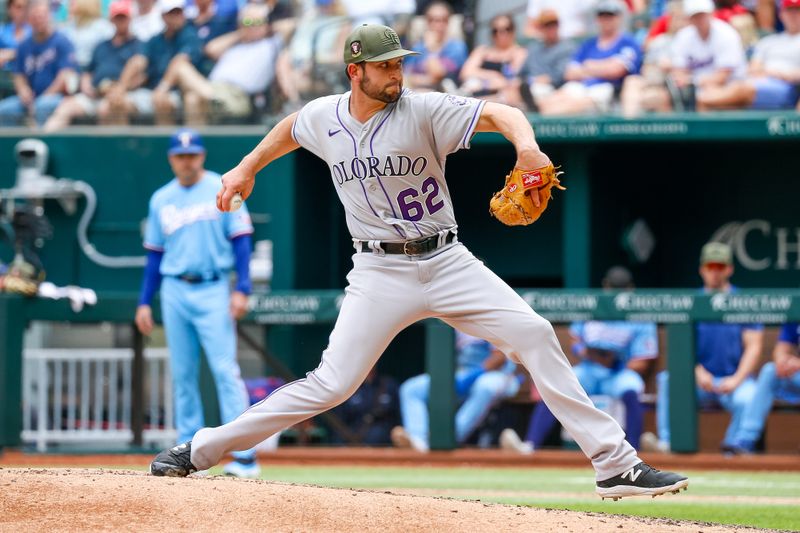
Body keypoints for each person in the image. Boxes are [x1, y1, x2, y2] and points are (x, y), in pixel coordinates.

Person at [149, 22, 688, 501]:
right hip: (379, 272)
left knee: (536, 333)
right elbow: (290, 128)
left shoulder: (424, 107)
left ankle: (616, 465)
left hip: (448, 259)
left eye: (399, 63)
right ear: (355, 71)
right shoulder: (325, 117)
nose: (396, 73)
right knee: (331, 385)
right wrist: (246, 167)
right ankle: (202, 449)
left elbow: (504, 111)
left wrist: (527, 148)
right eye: (385, 65)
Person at [136, 128, 260, 479]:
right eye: (180, 155)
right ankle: (187, 457)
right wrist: (144, 301)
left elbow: (241, 239)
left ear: (202, 156)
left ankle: (246, 456)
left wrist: (243, 288)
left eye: (192, 155)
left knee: (225, 370)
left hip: (213, 286)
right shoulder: (161, 198)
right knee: (183, 374)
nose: (186, 161)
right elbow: (154, 256)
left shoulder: (222, 188)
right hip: (175, 289)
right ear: (171, 159)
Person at [501, 266, 657, 454]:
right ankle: (530, 445)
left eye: (621, 288)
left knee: (630, 388)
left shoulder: (639, 315)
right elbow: (576, 340)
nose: (616, 292)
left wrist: (613, 363)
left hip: (619, 372)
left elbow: (643, 360)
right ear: (605, 286)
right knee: (555, 385)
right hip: (589, 370)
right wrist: (586, 352)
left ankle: (634, 450)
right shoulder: (594, 305)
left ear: (630, 288)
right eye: (614, 287)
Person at [641, 242, 763, 454]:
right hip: (699, 381)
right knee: (668, 380)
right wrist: (696, 371)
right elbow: (681, 347)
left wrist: (737, 379)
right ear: (702, 270)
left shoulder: (743, 301)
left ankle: (733, 450)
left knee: (750, 395)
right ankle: (669, 443)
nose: (715, 272)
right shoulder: (691, 301)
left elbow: (754, 346)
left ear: (729, 269)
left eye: (720, 267)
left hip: (733, 381)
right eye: (710, 267)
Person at [151, 2, 281, 125]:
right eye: (247, 22)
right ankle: (196, 146)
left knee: (180, 65)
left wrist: (267, 28)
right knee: (192, 99)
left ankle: (160, 91)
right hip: (215, 89)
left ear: (267, 24)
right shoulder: (235, 45)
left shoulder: (272, 44)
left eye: (258, 22)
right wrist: (241, 33)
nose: (252, 26)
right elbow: (211, 49)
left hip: (237, 96)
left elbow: (290, 25)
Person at [391, 331, 521, 452]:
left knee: (484, 387)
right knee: (411, 388)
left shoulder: (492, 311)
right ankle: (418, 441)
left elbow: (499, 357)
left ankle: (449, 437)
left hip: (499, 375)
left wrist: (474, 374)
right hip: (463, 374)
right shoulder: (454, 314)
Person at [43, 0, 142, 131]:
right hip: (94, 94)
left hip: (121, 95)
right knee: (65, 107)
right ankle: (45, 144)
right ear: (112, 19)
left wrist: (117, 89)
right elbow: (88, 72)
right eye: (117, 17)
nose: (120, 21)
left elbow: (142, 76)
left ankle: (107, 151)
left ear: (130, 19)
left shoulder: (138, 45)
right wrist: (86, 85)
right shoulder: (102, 46)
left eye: (123, 17)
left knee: (107, 108)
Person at [103, 0, 203, 125]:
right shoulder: (155, 40)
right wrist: (121, 88)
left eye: (179, 12)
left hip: (179, 92)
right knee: (117, 103)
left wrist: (162, 89)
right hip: (152, 90)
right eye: (172, 13)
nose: (176, 16)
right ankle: (124, 144)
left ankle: (164, 144)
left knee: (162, 101)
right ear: (163, 16)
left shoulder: (190, 35)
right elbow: (138, 61)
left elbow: (179, 62)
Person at [537, 0, 642, 115]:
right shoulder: (588, 44)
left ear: (619, 17)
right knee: (548, 102)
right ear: (597, 19)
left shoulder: (627, 42)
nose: (606, 19)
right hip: (581, 86)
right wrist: (605, 65)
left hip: (606, 90)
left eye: (610, 16)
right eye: (602, 16)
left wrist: (589, 65)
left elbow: (617, 70)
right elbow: (570, 73)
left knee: (557, 110)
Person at [696, 0, 800, 111]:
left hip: (786, 89)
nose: (793, 15)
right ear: (781, 14)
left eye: (797, 11)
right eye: (789, 11)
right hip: (756, 85)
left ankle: (705, 99)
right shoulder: (768, 41)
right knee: (715, 95)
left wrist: (774, 73)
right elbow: (753, 69)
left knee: (723, 94)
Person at [0, 0, 77, 127]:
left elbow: (65, 75)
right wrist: (23, 90)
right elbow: (18, 75)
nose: (38, 20)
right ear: (29, 20)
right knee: (4, 110)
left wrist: (45, 96)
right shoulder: (24, 45)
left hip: (56, 97)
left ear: (49, 16)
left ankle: (43, 143)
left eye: (41, 16)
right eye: (34, 17)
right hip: (30, 100)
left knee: (43, 106)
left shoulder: (62, 41)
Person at [729, 322, 800, 453]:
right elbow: (781, 349)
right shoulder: (796, 311)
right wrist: (783, 362)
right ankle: (746, 439)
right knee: (770, 371)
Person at [515, 9, 577, 112]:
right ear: (541, 28)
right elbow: (522, 73)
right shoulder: (534, 48)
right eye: (547, 25)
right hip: (528, 87)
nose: (551, 28)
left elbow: (558, 76)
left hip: (553, 90)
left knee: (538, 91)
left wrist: (534, 81)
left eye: (554, 24)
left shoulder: (567, 47)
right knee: (512, 92)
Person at [457, 13, 527, 103]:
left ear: (513, 31)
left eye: (506, 29)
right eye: (495, 30)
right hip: (474, 90)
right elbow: (465, 73)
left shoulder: (519, 52)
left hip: (499, 97)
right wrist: (493, 75)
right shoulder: (482, 50)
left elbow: (511, 80)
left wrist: (485, 84)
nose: (500, 34)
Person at [403, 1, 468, 92]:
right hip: (415, 92)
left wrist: (431, 49)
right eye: (431, 20)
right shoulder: (418, 46)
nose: (437, 24)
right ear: (426, 22)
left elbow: (437, 74)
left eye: (442, 20)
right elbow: (406, 75)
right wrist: (426, 80)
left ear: (448, 22)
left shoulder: (456, 47)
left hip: (445, 95)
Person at [332, 366, 400, 445]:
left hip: (383, 447)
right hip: (352, 446)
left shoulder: (389, 385)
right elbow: (339, 425)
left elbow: (397, 420)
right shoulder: (347, 387)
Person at [0, 0, 32, 70]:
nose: (23, 11)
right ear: (9, 9)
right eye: (18, 7)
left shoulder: (34, 32)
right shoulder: (2, 31)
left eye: (25, 7)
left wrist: (10, 54)